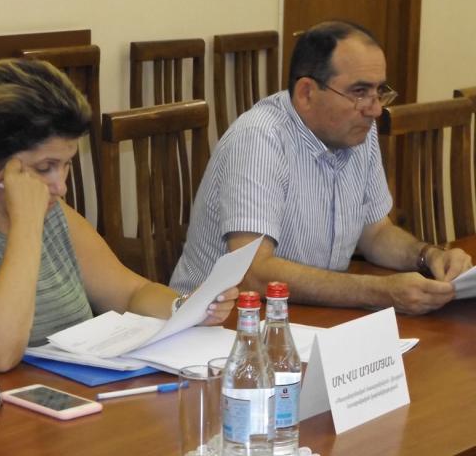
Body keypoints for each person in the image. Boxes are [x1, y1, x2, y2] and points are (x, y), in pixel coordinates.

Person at [0, 59, 238, 370]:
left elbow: (131, 292)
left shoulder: (50, 211)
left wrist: (186, 307)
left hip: (47, 402)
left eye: (66, 165)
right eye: (44, 167)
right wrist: (26, 226)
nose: (61, 186)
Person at [170, 20, 472, 315]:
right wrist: (381, 291)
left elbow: (376, 233)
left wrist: (429, 256)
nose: (376, 109)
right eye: (359, 92)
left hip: (304, 314)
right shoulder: (259, 139)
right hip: (216, 323)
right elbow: (253, 273)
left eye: (379, 91)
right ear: (306, 93)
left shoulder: (357, 130)